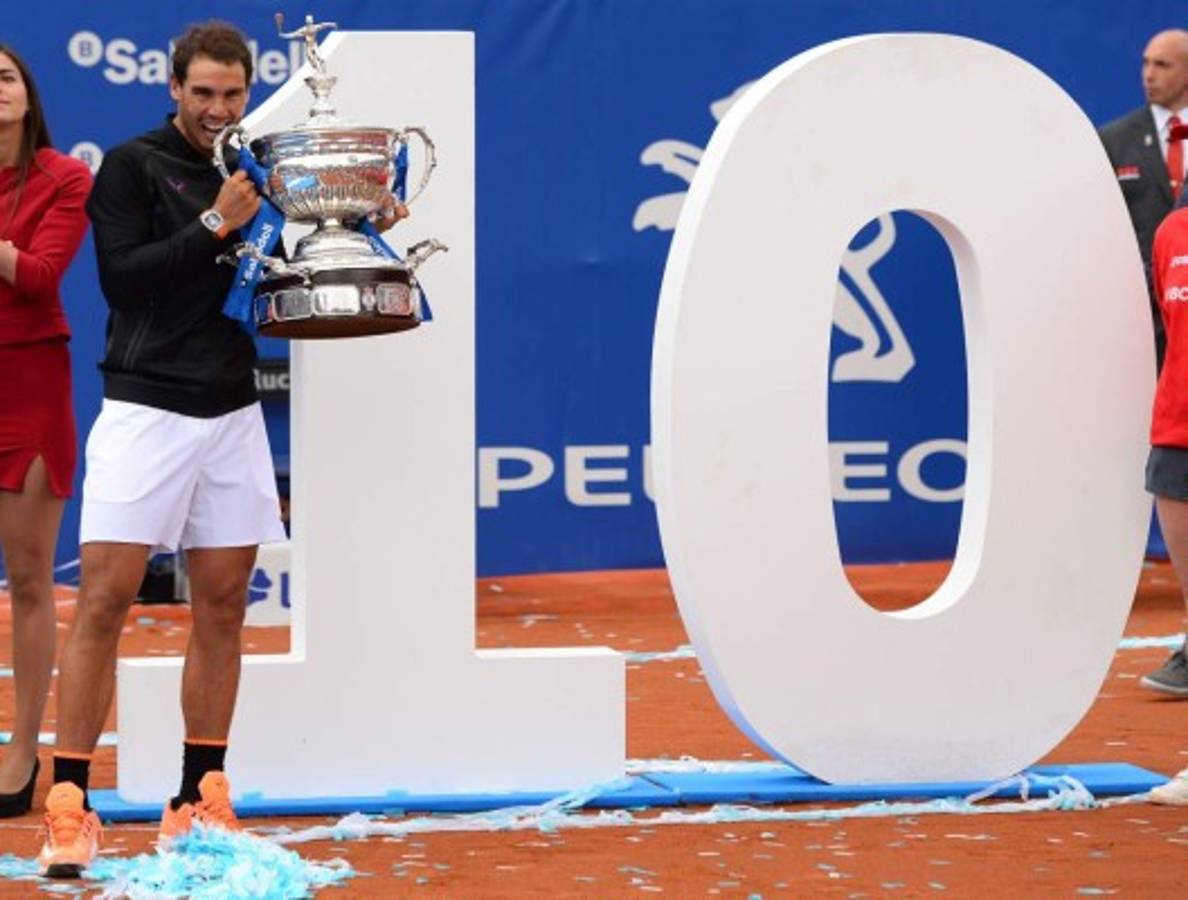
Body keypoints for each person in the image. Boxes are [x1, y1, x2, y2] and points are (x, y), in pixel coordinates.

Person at [36, 21, 408, 877]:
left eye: (231, 95)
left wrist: (359, 221)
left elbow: (287, 269)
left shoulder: (265, 172)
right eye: (202, 93)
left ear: (247, 92)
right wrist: (213, 220)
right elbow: (122, 282)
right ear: (174, 89)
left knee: (223, 606)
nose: (216, 109)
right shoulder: (132, 167)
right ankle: (70, 805)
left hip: (233, 409)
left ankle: (197, 798)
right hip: (144, 408)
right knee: (103, 600)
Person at [0, 45, 92, 818]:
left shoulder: (66, 177)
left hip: (28, 383)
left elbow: (37, 276)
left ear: (27, 94)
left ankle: (22, 754)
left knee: (31, 580)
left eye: (3, 75)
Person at [1099, 29, 1188, 370]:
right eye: (1146, 64)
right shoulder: (1114, 140)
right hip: (1140, 320)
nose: (1149, 75)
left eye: (1163, 65)